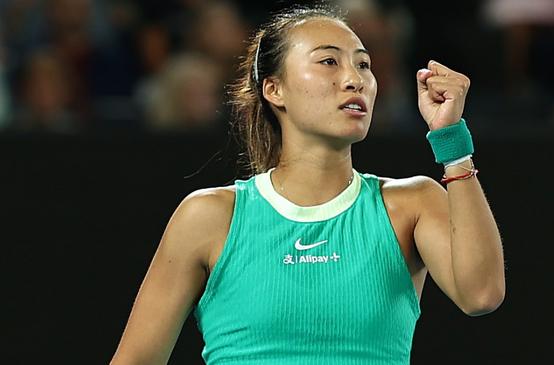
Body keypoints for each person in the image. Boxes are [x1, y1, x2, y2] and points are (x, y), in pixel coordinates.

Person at [110, 5, 505, 365]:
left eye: (363, 65)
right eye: (329, 62)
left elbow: (481, 294)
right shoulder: (209, 216)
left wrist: (452, 143)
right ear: (274, 89)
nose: (355, 79)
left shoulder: (411, 203)